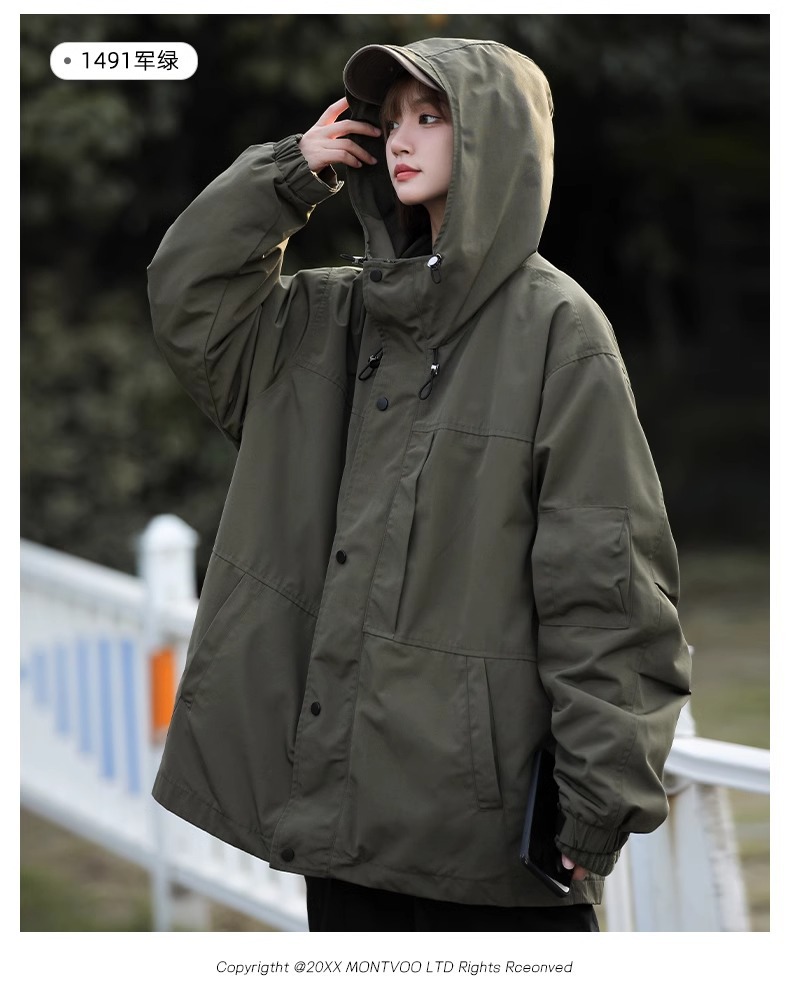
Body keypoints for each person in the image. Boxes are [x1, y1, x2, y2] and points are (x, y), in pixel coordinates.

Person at [148, 37, 691, 932]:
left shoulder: (559, 331)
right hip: (337, 814)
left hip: (481, 837)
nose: (401, 139)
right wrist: (287, 176)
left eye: (430, 117)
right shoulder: (332, 314)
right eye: (392, 119)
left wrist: (599, 801)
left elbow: (605, 581)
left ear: (494, 138)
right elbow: (190, 299)